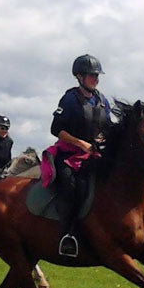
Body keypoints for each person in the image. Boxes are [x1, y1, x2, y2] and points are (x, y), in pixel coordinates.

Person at [48, 54, 112, 257]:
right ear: (79, 76)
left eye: (97, 76)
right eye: (92, 75)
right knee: (71, 186)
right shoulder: (69, 99)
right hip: (69, 154)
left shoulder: (102, 101)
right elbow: (56, 129)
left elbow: (108, 128)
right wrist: (81, 143)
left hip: (94, 155)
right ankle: (68, 234)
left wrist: (102, 140)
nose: (96, 79)